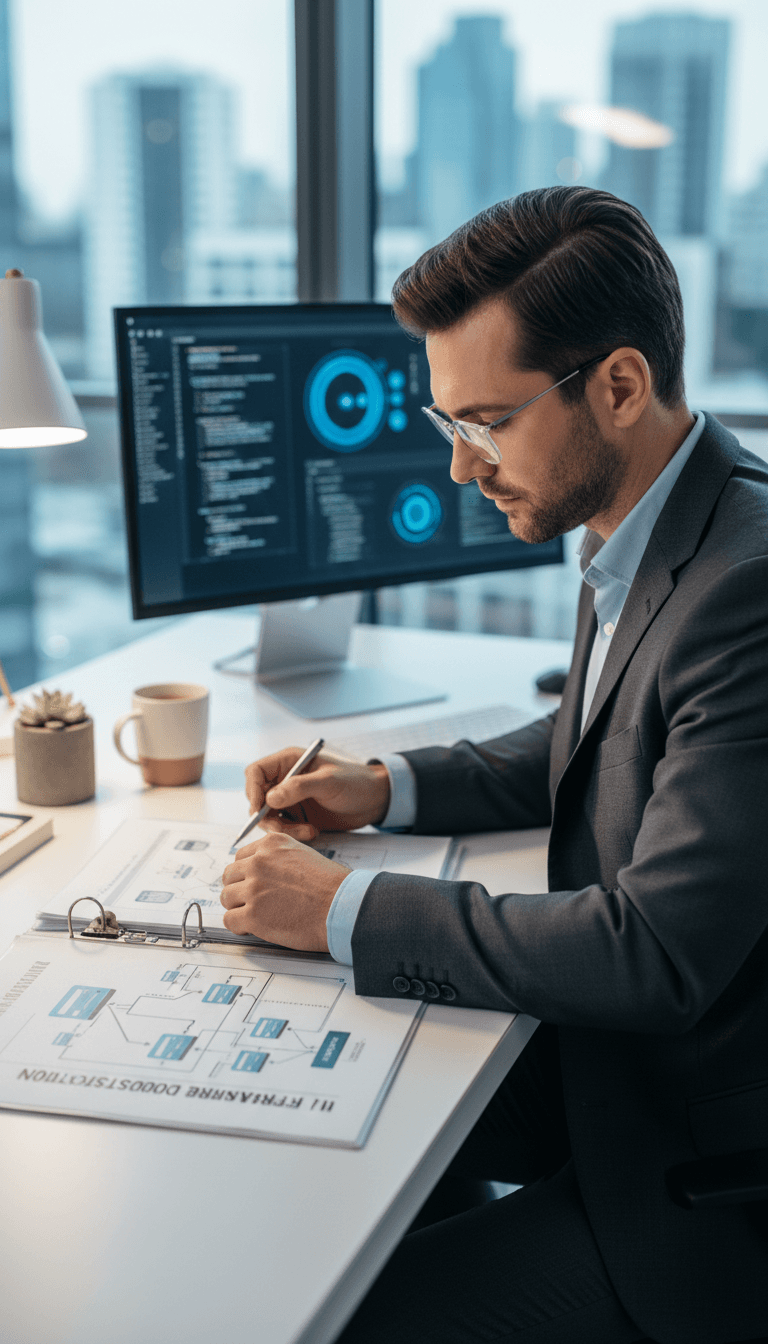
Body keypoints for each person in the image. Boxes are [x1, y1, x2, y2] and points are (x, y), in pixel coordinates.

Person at [220, 187, 768, 1344]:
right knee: (307, 1126)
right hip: (618, 1072)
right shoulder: (651, 521)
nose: (463, 470)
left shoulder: (750, 588)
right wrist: (389, 786)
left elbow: (656, 953)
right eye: (450, 424)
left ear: (618, 386)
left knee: (336, 1313)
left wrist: (340, 908)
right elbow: (597, 741)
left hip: (699, 1168)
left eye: (487, 424)